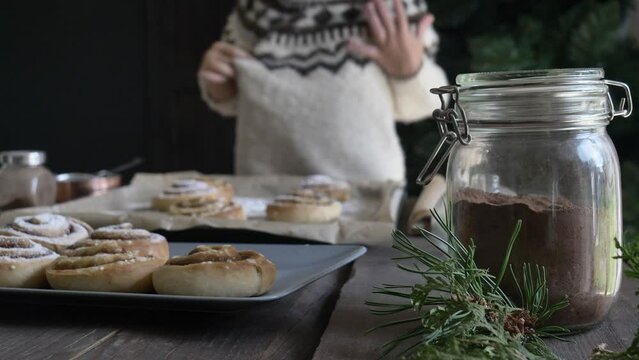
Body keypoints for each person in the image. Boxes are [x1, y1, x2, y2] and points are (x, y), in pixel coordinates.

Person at [198, 0, 447, 182]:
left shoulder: (393, 7)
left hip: (367, 193)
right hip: (264, 194)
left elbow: (426, 104)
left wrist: (409, 72)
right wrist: (219, 84)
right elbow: (235, 101)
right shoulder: (254, 11)